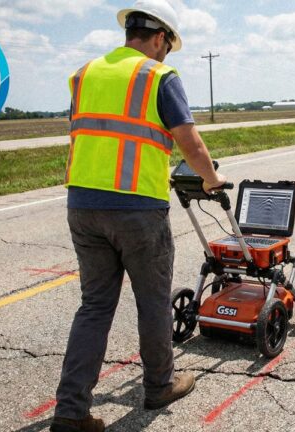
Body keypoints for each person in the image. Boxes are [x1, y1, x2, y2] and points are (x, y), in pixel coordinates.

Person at [51, 1, 226, 431]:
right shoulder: (158, 76)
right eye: (168, 45)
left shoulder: (85, 73)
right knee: (152, 302)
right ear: (160, 38)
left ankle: (71, 413)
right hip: (137, 209)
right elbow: (190, 142)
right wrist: (211, 180)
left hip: (83, 205)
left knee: (93, 307)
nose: (167, 53)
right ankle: (160, 385)